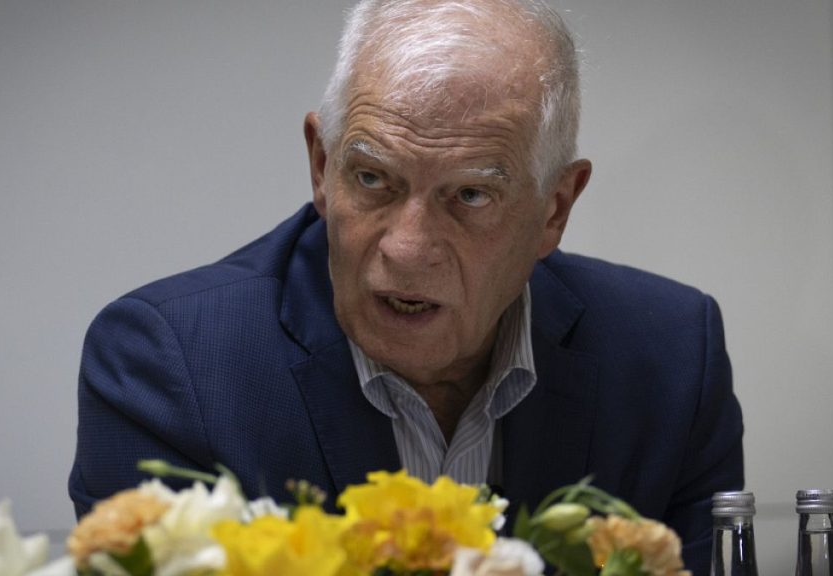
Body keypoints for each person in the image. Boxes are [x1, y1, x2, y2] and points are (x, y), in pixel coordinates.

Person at [69, 0, 744, 572]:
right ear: (320, 165)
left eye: (471, 195)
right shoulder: (171, 366)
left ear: (555, 208)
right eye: (372, 179)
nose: (407, 248)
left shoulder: (672, 360)